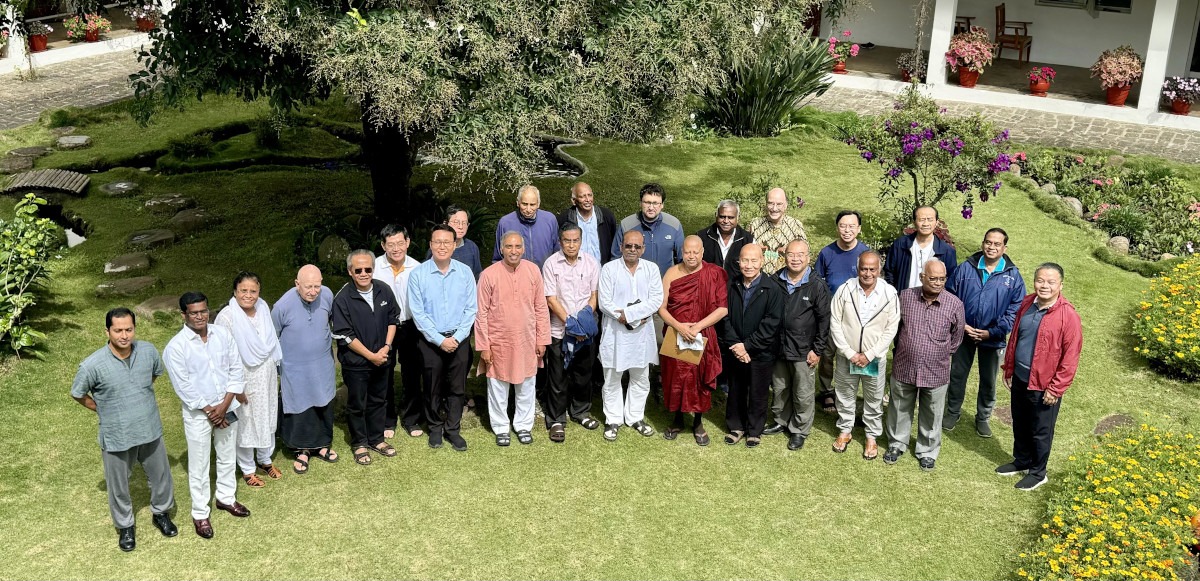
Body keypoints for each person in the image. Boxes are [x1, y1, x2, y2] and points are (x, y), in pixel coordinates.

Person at [71, 307, 177, 551]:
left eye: (129, 329)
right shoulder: (92, 365)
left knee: (161, 476)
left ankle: (161, 513)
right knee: (118, 485)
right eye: (118, 330)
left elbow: (153, 376)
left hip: (149, 428)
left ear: (134, 329)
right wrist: (103, 408)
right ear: (107, 331)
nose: (124, 335)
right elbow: (77, 393)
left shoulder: (149, 351)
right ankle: (125, 526)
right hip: (116, 435)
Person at [164, 291, 250, 539]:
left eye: (204, 310)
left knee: (227, 456)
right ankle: (200, 513)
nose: (200, 316)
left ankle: (226, 498)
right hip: (198, 414)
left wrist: (223, 407)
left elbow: (236, 370)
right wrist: (211, 411)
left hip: (226, 406)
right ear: (184, 315)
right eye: (194, 312)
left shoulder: (222, 335)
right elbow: (184, 387)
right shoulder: (176, 348)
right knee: (199, 464)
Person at [997, 263, 1082, 491]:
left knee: (1040, 430)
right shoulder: (1027, 303)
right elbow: (1016, 337)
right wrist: (1009, 368)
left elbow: (1070, 357)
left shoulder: (1068, 316)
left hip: (1045, 385)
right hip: (1021, 377)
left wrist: (1056, 389)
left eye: (1051, 282)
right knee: (1021, 422)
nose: (1044, 285)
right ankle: (1021, 460)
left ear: (1060, 285)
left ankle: (1037, 472)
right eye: (1040, 280)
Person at [883, 260, 965, 472]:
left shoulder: (954, 304)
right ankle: (896, 444)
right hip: (904, 365)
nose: (938, 283)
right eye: (933, 278)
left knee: (932, 412)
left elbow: (957, 338)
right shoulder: (906, 297)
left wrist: (939, 353)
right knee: (899, 407)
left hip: (936, 370)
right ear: (922, 277)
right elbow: (895, 327)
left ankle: (927, 451)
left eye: (942, 279)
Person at [944, 227, 1025, 437]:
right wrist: (960, 324)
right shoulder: (965, 269)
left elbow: (1015, 310)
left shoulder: (1013, 276)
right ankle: (952, 412)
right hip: (964, 334)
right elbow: (949, 298)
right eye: (989, 242)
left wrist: (993, 332)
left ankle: (983, 418)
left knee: (988, 381)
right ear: (983, 243)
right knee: (957, 375)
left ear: (1004, 248)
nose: (992, 247)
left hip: (993, 338)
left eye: (997, 244)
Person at [477, 232, 552, 446]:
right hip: (498, 341)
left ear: (524, 248)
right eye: (509, 246)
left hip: (527, 340)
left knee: (527, 384)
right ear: (501, 249)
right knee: (499, 386)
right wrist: (484, 345)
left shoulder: (533, 271)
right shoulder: (489, 274)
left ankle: (523, 426)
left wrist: (542, 339)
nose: (513, 250)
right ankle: (501, 427)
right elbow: (481, 312)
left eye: (517, 246)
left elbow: (540, 307)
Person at [408, 224, 477, 452]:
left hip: (460, 339)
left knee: (457, 388)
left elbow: (471, 309)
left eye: (447, 242)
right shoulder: (418, 275)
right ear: (430, 245)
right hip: (430, 341)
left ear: (454, 245)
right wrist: (439, 340)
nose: (442, 246)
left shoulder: (465, 272)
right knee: (432, 386)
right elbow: (418, 313)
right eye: (437, 242)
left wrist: (456, 338)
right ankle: (435, 427)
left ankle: (453, 429)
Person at [213, 272, 283, 488]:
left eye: (253, 291)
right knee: (246, 421)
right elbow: (222, 355)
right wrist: (235, 387)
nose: (249, 295)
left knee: (267, 416)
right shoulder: (226, 317)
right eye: (244, 290)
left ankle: (265, 460)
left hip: (266, 374)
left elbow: (269, 341)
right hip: (242, 378)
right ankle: (247, 469)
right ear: (235, 291)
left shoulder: (263, 307)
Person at [332, 249, 400, 466]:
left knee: (379, 400)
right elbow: (345, 335)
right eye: (358, 269)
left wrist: (386, 347)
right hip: (357, 363)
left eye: (367, 269)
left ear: (373, 269)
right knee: (357, 404)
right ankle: (360, 443)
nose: (363, 273)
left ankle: (377, 439)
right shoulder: (343, 298)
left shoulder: (383, 290)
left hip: (382, 358)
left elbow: (393, 319)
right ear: (350, 271)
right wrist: (371, 355)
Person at [829, 251, 900, 460]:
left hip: (874, 358)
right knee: (845, 394)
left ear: (879, 270)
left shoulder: (889, 293)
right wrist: (849, 352)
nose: (867, 273)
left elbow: (891, 328)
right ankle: (845, 431)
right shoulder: (845, 289)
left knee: (874, 398)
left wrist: (870, 354)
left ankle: (871, 436)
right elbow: (835, 322)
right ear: (857, 268)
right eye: (863, 269)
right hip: (847, 356)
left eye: (872, 269)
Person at [659, 235, 728, 446]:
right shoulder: (671, 273)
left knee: (699, 380)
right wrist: (679, 327)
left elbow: (722, 308)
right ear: (682, 251)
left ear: (702, 253)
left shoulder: (714, 273)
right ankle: (678, 419)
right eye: (687, 252)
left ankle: (698, 422)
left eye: (695, 252)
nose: (691, 256)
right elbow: (661, 307)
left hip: (703, 333)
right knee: (676, 378)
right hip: (676, 334)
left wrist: (698, 327)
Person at [764, 239, 830, 451]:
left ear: (808, 257)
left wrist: (817, 349)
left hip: (804, 350)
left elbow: (824, 321)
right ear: (785, 256)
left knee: (803, 392)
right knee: (780, 388)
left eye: (800, 255)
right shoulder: (775, 280)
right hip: (779, 347)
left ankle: (799, 429)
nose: (795, 259)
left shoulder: (817, 285)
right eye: (791, 254)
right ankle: (781, 421)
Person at [273, 265, 340, 474]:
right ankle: (301, 450)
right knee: (301, 408)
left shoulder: (327, 294)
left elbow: (331, 319)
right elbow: (272, 337)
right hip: (295, 368)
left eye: (317, 286)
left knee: (323, 403)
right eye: (308, 287)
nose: (313, 291)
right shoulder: (282, 306)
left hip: (322, 364)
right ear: (297, 284)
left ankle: (322, 445)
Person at [598, 230, 664, 441]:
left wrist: (632, 316)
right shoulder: (609, 269)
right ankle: (613, 420)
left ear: (643, 249)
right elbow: (604, 303)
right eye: (629, 246)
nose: (632, 250)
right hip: (616, 333)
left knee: (640, 377)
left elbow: (656, 300)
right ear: (621, 247)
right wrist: (630, 317)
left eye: (637, 247)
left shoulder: (651, 269)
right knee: (612, 378)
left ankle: (635, 417)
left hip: (642, 335)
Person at [720, 244, 784, 448]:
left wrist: (747, 347)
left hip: (760, 351)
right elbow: (724, 318)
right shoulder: (732, 285)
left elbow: (771, 323)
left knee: (758, 391)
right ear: (739, 261)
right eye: (744, 260)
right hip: (735, 349)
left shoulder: (772, 288)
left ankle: (754, 430)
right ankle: (736, 427)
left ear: (762, 261)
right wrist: (737, 345)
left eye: (753, 260)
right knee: (736, 388)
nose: (748, 265)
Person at [542, 223, 601, 440]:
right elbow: (551, 299)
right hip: (559, 331)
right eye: (567, 240)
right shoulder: (550, 264)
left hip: (585, 332)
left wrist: (582, 324)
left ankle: (580, 411)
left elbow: (594, 295)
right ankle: (556, 419)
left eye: (575, 240)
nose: (571, 244)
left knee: (583, 375)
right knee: (558, 377)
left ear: (581, 241)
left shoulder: (591, 263)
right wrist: (570, 324)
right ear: (560, 241)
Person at [813, 210, 871, 414]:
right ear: (837, 228)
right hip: (831, 315)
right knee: (828, 354)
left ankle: (849, 392)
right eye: (843, 226)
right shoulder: (827, 253)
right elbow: (818, 284)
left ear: (859, 229)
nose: (847, 230)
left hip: (857, 317)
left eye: (852, 226)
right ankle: (827, 390)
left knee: (853, 354)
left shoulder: (865, 254)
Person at [373, 223, 425, 440]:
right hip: (383, 327)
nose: (396, 248)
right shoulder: (374, 266)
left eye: (400, 243)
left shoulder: (418, 267)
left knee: (412, 373)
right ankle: (387, 419)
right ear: (383, 245)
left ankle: (411, 418)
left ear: (408, 242)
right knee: (384, 371)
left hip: (410, 326)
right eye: (391, 244)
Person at [611, 183, 683, 276]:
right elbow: (615, 258)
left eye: (655, 203)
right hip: (634, 283)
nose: (651, 207)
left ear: (662, 205)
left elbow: (682, 259)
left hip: (665, 283)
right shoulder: (626, 225)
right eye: (647, 202)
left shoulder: (674, 225)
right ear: (640, 203)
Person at [883, 205, 958, 291]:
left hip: (933, 302)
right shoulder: (900, 245)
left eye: (930, 219)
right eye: (921, 219)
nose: (926, 224)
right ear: (914, 222)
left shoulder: (946, 251)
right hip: (903, 299)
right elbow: (889, 273)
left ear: (936, 222)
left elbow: (950, 281)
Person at [493, 184, 559, 267]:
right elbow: (498, 257)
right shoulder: (505, 223)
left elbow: (557, 252)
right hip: (514, 276)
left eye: (532, 205)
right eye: (524, 204)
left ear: (538, 204)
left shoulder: (550, 220)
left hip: (544, 275)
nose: (528, 209)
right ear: (518, 202)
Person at [746, 187, 807, 275]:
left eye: (779, 204)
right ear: (766, 204)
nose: (774, 208)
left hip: (784, 281)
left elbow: (804, 257)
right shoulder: (755, 224)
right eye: (771, 203)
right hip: (758, 280)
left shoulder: (796, 226)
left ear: (785, 205)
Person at [557, 181, 618, 264]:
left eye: (590, 195)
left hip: (602, 270)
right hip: (575, 271)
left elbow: (615, 243)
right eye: (582, 196)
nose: (588, 200)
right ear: (574, 201)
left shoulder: (606, 216)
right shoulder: (564, 219)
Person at [697, 199, 754, 277]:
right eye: (722, 217)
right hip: (709, 287)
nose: (726, 221)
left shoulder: (747, 240)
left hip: (735, 288)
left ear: (738, 218)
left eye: (730, 217)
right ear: (716, 216)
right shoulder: (702, 237)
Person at [427, 205, 483, 280]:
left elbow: (477, 276)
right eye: (456, 222)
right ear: (445, 223)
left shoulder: (472, 247)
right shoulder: (437, 247)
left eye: (464, 223)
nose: (460, 226)